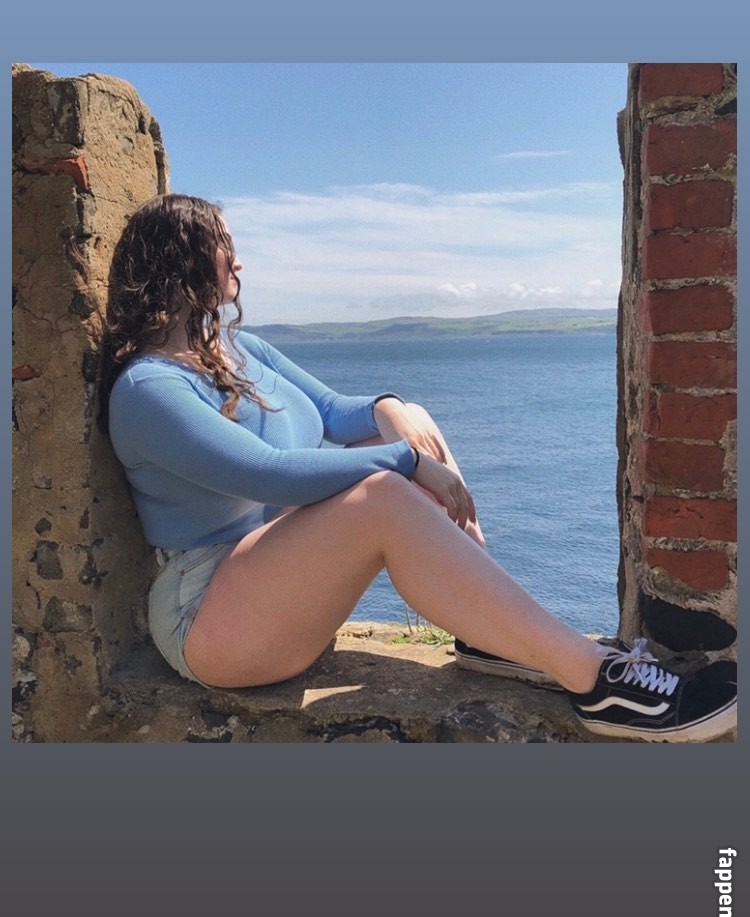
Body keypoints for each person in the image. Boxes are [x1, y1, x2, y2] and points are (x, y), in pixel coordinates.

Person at [98, 194, 736, 744]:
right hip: (208, 615)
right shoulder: (148, 388)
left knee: (412, 420)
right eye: (223, 247)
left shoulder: (240, 350)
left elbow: (333, 411)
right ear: (181, 260)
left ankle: (488, 636)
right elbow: (267, 474)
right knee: (382, 494)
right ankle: (600, 684)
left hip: (275, 581)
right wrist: (406, 463)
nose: (238, 262)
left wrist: (392, 410)